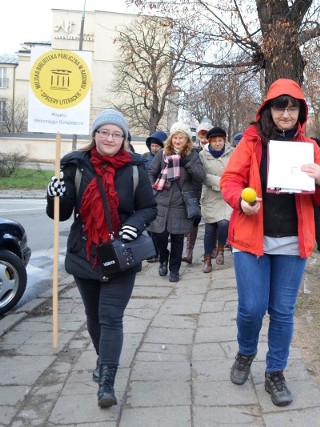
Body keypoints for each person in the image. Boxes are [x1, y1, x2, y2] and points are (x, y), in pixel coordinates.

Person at [220, 78, 320, 407]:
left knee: (283, 312)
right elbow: (230, 181)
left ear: (301, 112)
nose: (286, 113)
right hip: (251, 240)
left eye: (292, 107)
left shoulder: (309, 148)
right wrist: (240, 202)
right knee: (252, 309)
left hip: (291, 244)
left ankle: (275, 373)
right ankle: (245, 353)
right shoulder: (252, 142)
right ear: (267, 110)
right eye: (279, 106)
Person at [45, 109, 157, 408]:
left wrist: (134, 225)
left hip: (122, 253)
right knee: (93, 317)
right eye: (104, 132)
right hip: (85, 253)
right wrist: (53, 195)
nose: (110, 138)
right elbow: (61, 214)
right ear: (95, 135)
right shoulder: (75, 165)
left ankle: (107, 381)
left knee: (111, 317)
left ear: (124, 139)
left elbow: (148, 207)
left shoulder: (135, 168)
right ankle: (102, 358)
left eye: (117, 134)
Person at [147, 122, 206, 282]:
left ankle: (174, 270)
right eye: (175, 137)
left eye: (181, 137)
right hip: (161, 200)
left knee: (177, 238)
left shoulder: (192, 155)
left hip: (181, 203)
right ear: (171, 139)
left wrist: (186, 163)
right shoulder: (163, 153)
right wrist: (154, 191)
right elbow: (151, 172)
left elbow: (201, 176)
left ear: (187, 139)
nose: (178, 141)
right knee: (160, 234)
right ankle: (163, 258)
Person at [199, 126, 234, 273]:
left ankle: (220, 250)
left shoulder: (232, 153)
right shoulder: (202, 155)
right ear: (209, 142)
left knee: (224, 223)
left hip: (227, 194)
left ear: (224, 140)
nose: (218, 143)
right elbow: (202, 175)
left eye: (220, 140)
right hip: (210, 194)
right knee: (209, 229)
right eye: (214, 141)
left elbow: (235, 170)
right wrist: (221, 182)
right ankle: (207, 260)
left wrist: (228, 183)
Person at [181, 121, 212, 262]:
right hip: (195, 189)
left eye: (206, 136)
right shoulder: (193, 152)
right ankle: (189, 251)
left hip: (211, 189)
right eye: (201, 136)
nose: (204, 139)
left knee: (213, 220)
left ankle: (211, 250)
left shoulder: (216, 151)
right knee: (193, 219)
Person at [143, 130, 167, 262]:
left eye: (157, 145)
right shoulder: (145, 158)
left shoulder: (167, 158)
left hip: (162, 195)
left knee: (158, 226)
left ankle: (158, 251)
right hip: (147, 195)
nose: (154, 148)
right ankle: (153, 251)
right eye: (152, 145)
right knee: (148, 225)